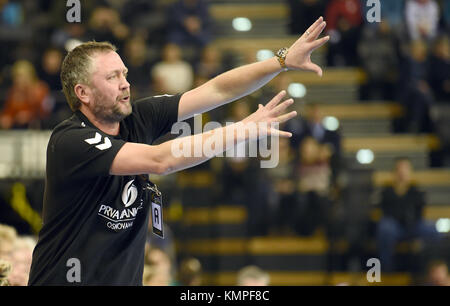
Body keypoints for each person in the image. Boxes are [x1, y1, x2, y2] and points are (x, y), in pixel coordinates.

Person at [28, 17, 329, 285]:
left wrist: (281, 60)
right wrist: (242, 130)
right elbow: (162, 160)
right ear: (83, 93)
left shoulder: (139, 117)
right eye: (112, 77)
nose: (125, 84)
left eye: (124, 73)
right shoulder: (70, 140)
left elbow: (217, 91)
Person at [376, 157, 440, 272]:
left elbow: (419, 212)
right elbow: (387, 212)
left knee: (433, 229)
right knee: (385, 228)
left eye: (405, 169)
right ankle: (387, 269)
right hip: (394, 227)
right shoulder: (387, 191)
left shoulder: (415, 191)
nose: (402, 172)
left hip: (413, 226)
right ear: (394, 172)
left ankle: (429, 267)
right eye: (400, 169)